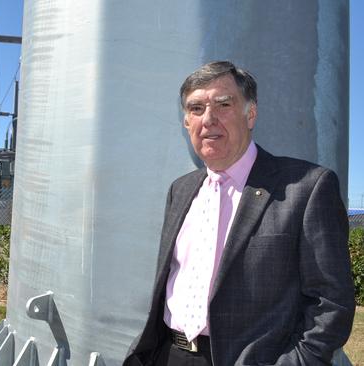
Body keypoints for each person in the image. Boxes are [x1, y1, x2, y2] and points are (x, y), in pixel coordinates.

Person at [123, 61, 355, 366]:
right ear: (186, 122)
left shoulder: (306, 187)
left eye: (223, 104)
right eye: (196, 108)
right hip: (168, 355)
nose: (208, 119)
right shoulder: (179, 190)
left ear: (251, 114)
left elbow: (331, 303)